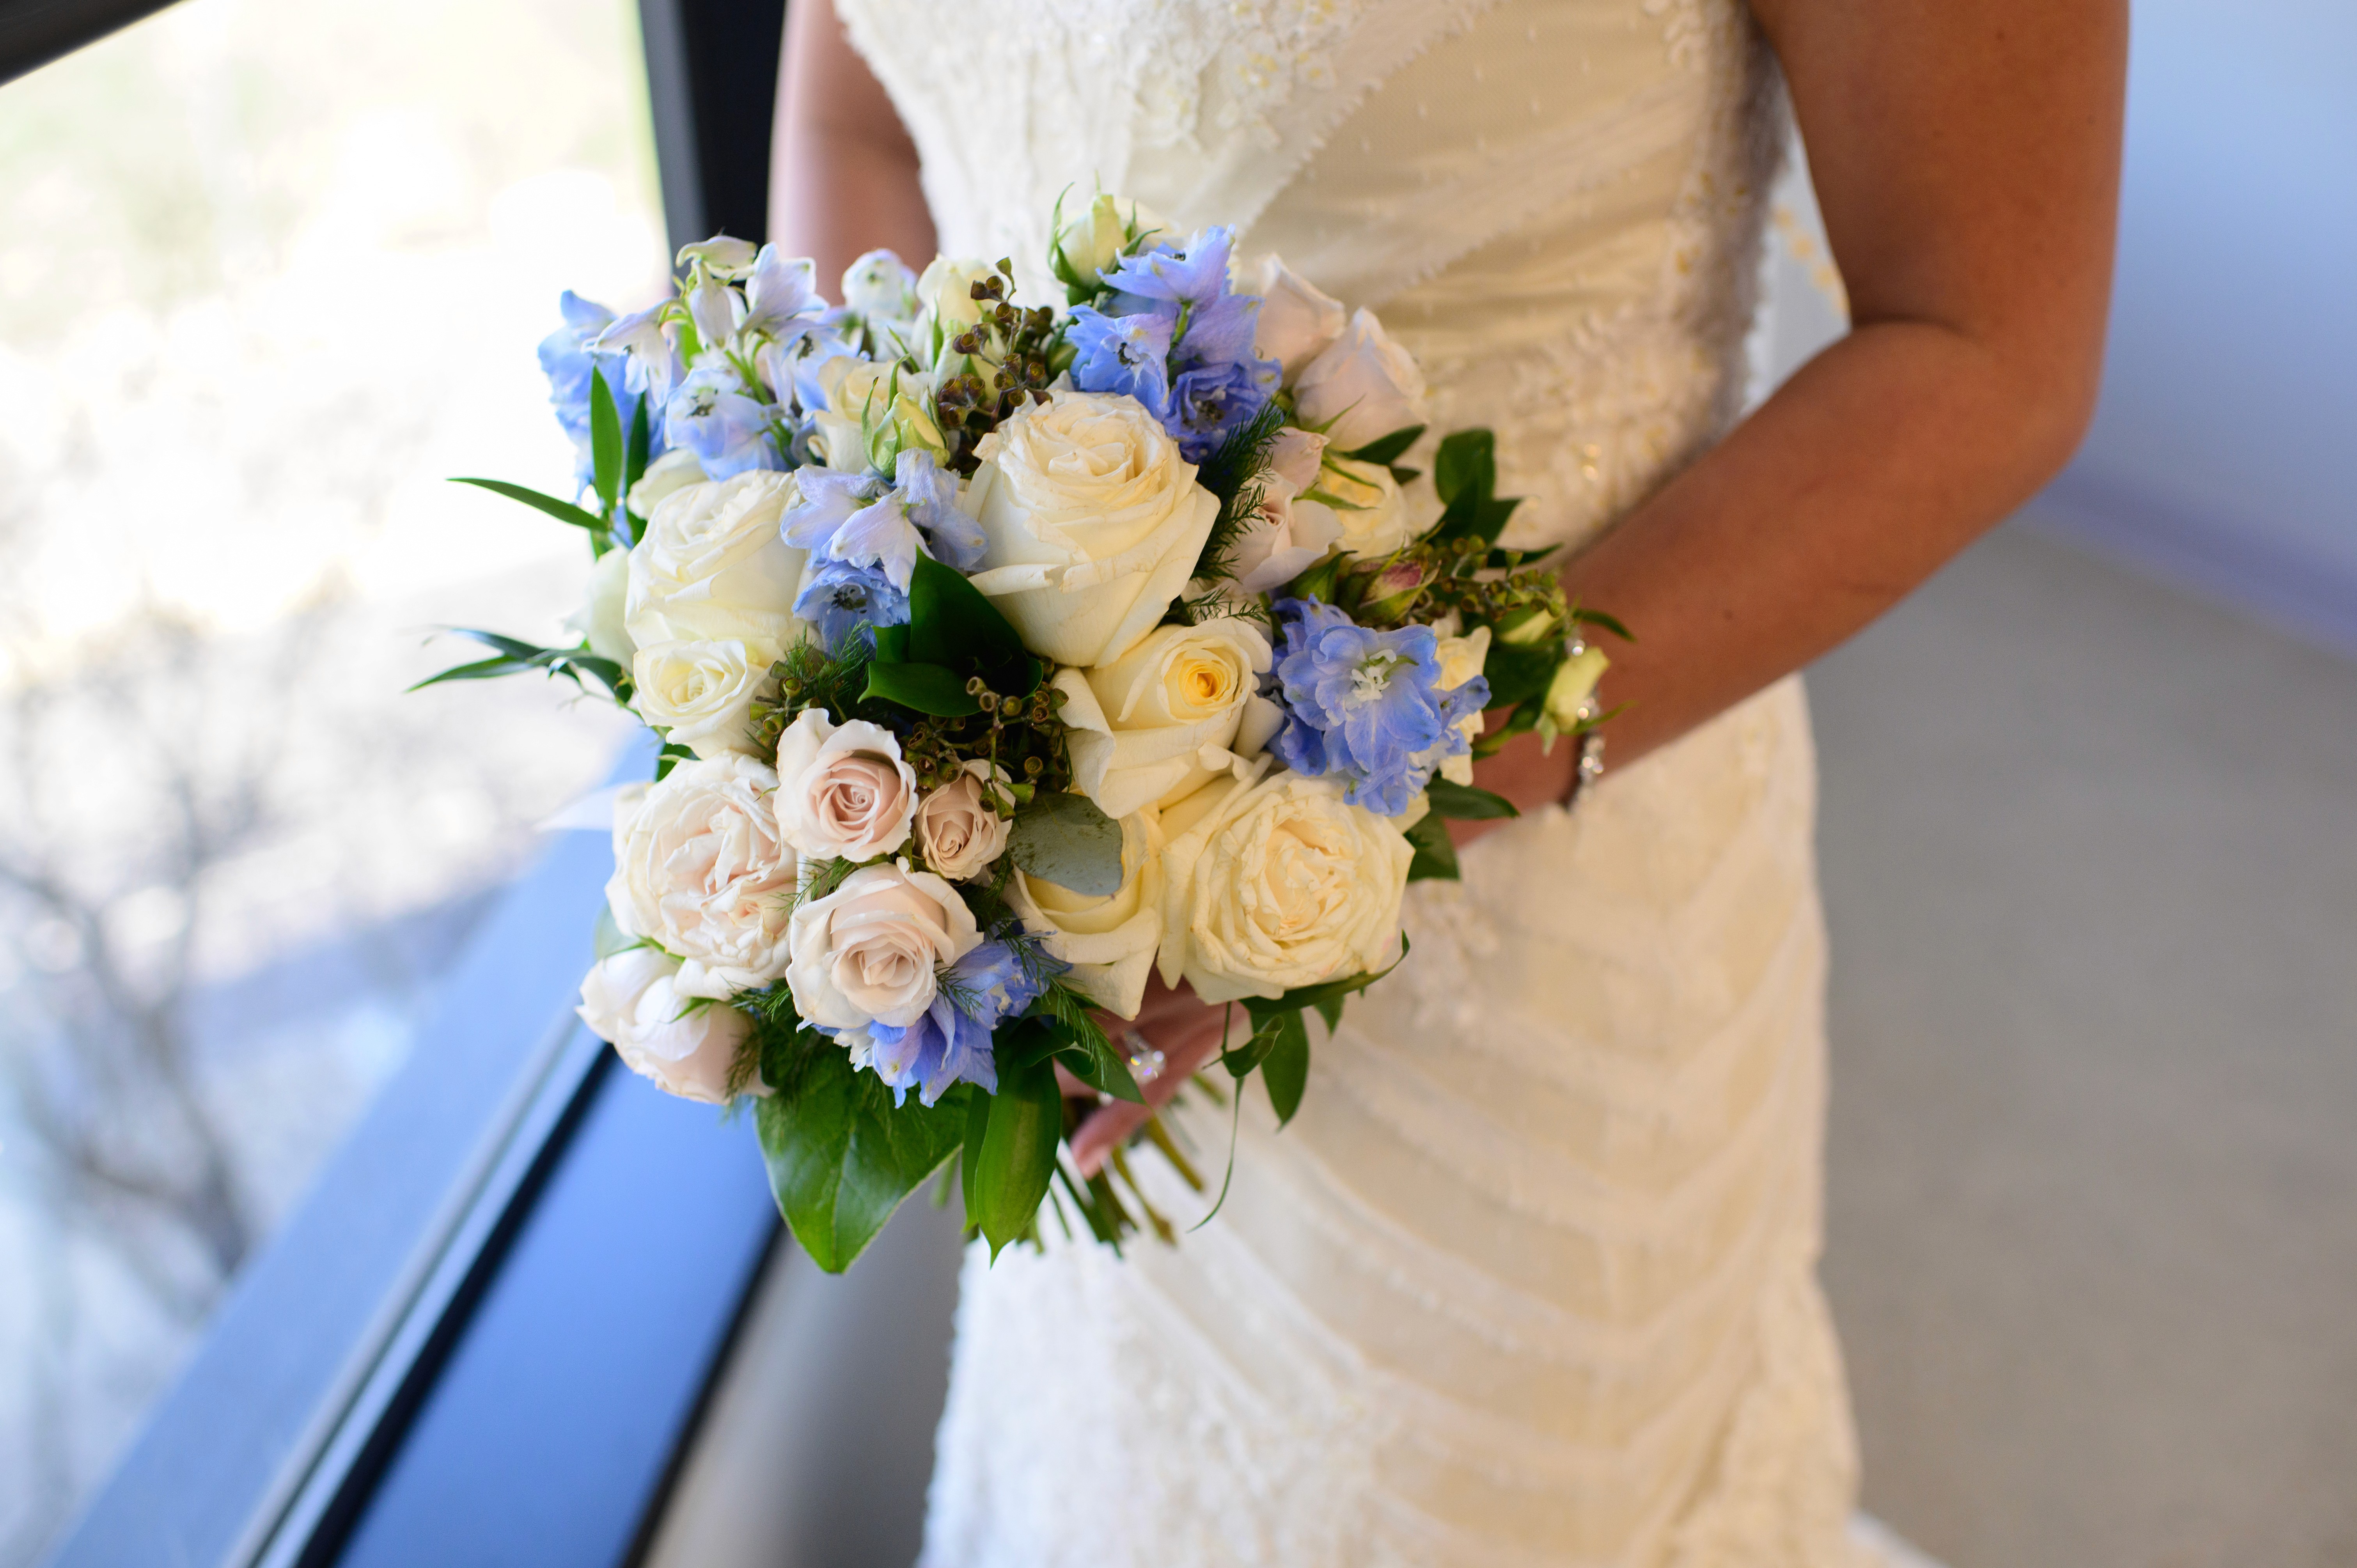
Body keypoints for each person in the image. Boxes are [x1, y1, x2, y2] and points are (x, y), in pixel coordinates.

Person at [771, 0, 2122, 1561]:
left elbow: (1983, 344)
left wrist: (1342, 809)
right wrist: (887, 687)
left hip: (1534, 929)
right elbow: (856, 120)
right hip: (1067, 951)